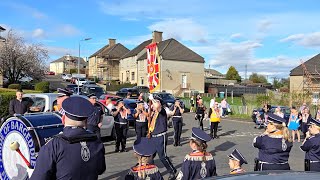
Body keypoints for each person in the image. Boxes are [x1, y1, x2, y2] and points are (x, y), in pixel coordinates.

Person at [30, 96, 106, 179]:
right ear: (86, 121)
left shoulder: (53, 145)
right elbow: (100, 169)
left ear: (63, 119)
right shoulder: (97, 142)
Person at [148, 94, 177, 179]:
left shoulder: (162, 111)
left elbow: (157, 107)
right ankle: (152, 172)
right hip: (153, 136)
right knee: (150, 156)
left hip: (161, 137)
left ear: (160, 103)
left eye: (156, 102)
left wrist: (152, 99)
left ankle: (172, 171)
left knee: (162, 157)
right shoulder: (154, 113)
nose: (153, 104)